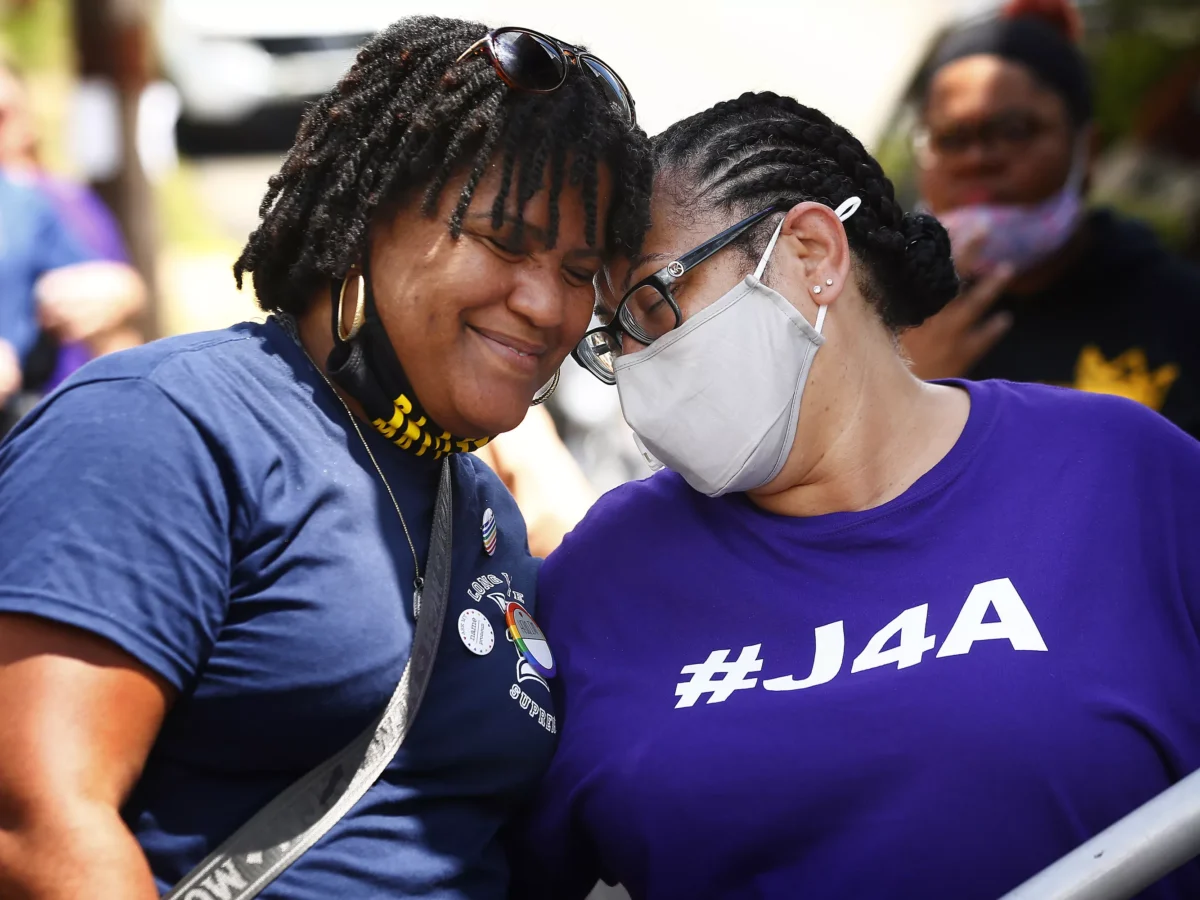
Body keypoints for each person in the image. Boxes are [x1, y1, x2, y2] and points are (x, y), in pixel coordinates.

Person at [0, 15, 650, 898]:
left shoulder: (484, 509)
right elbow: (34, 825)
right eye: (503, 241)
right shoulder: (166, 426)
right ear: (366, 217)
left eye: (581, 272)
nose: (546, 304)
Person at [509, 91, 1200, 900]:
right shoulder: (604, 575)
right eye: (610, 336)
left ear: (811, 254)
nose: (634, 361)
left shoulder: (1117, 472)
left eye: (655, 306)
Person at [901, 0, 1200, 438]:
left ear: (1088, 152)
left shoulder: (1180, 314)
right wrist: (901, 387)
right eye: (950, 137)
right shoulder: (882, 303)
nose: (978, 159)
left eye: (1015, 130)